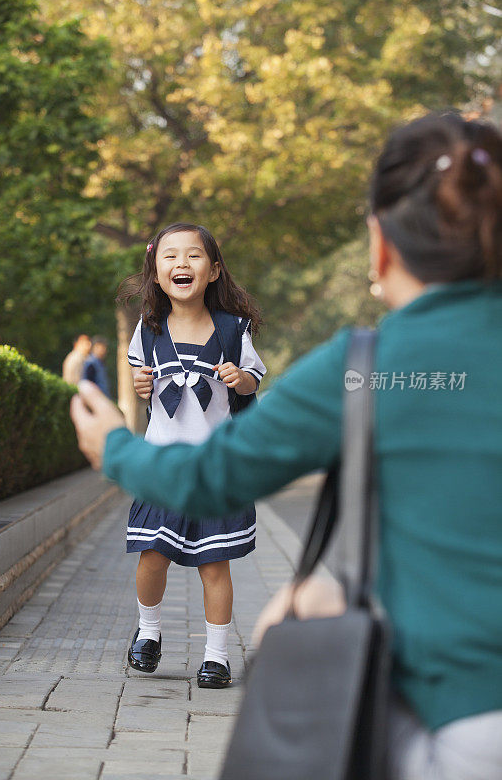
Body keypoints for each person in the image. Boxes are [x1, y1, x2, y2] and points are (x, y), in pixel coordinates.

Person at [71, 113, 502, 779]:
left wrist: (113, 447)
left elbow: (211, 478)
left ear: (380, 244)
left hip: (463, 717)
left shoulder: (370, 364)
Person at [115, 223, 265, 689]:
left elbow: (254, 379)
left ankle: (216, 657)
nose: (182, 264)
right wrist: (142, 384)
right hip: (162, 468)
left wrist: (240, 378)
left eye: (194, 256)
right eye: (170, 257)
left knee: (213, 565)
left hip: (215, 470)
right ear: (156, 273)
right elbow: (143, 381)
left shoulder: (232, 330)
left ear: (214, 270)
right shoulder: (148, 329)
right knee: (151, 558)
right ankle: (149, 631)